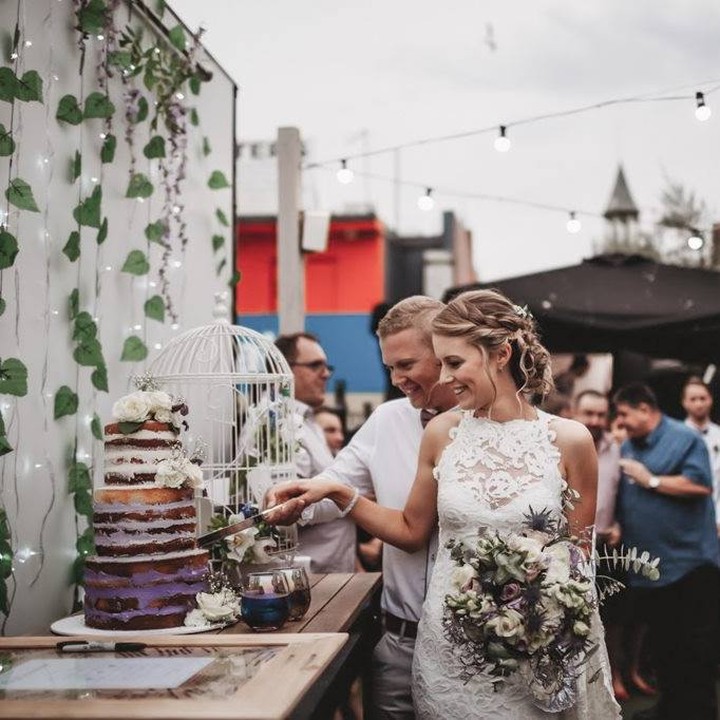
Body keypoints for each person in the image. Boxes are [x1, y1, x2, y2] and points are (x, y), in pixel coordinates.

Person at [271, 289, 619, 719]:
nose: (447, 378)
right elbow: (410, 529)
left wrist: (547, 625)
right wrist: (336, 494)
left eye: (454, 363)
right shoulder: (441, 434)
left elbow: (579, 561)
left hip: (535, 650)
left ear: (501, 354)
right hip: (448, 651)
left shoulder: (572, 440)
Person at [271, 296, 456, 719]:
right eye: (390, 367)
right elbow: (331, 489)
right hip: (398, 644)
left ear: (444, 354)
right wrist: (292, 500)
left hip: (472, 650)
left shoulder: (490, 425)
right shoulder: (387, 420)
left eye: (407, 365)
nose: (397, 379)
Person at [613, 382, 720, 720]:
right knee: (664, 650)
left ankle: (700, 714)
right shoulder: (629, 445)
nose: (621, 421)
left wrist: (652, 481)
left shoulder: (684, 438)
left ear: (645, 408)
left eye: (624, 414)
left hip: (689, 567)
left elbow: (701, 485)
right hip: (649, 571)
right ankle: (670, 710)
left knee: (696, 652)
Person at [275, 331, 355, 573]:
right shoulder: (278, 424)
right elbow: (290, 506)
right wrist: (352, 496)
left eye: (326, 365)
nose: (326, 374)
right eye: (315, 366)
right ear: (285, 370)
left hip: (333, 571)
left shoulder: (308, 422)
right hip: (310, 577)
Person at [572, 390, 628, 700]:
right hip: (569, 547)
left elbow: (619, 495)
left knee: (615, 616)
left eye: (599, 414)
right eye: (588, 413)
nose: (594, 421)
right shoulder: (562, 444)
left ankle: (615, 675)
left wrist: (617, 523)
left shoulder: (615, 447)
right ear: (573, 411)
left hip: (607, 545)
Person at [681, 376, 720, 535]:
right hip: (685, 518)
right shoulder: (675, 436)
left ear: (710, 400)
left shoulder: (719, 434)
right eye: (693, 399)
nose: (699, 403)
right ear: (684, 402)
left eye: (703, 398)